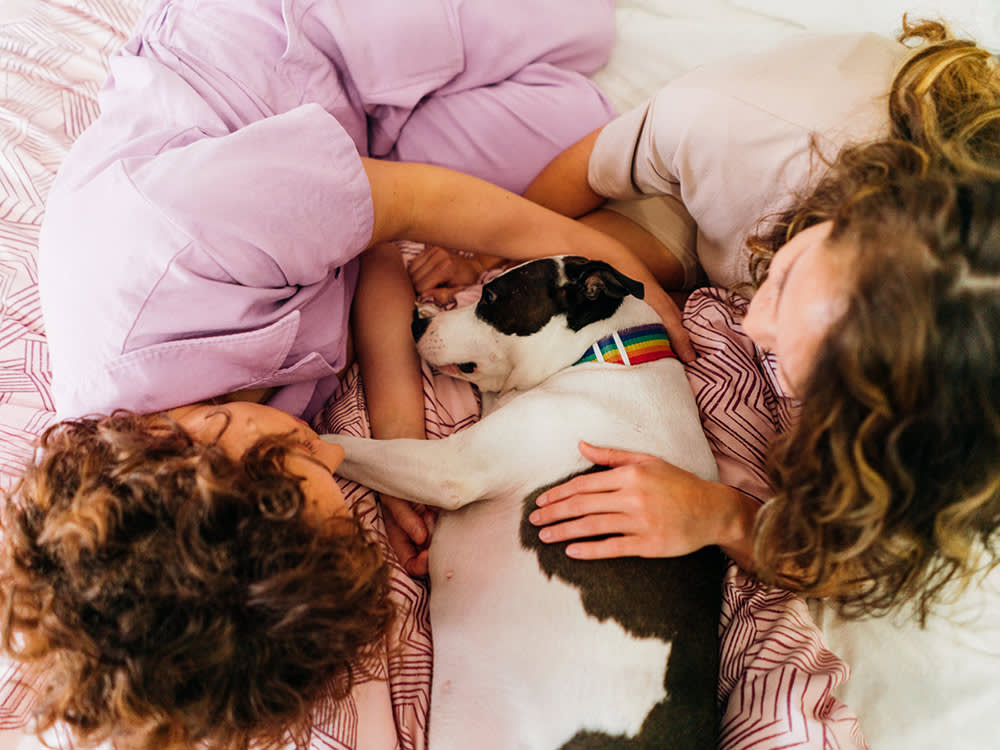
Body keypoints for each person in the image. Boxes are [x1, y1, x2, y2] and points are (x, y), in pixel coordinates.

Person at [15, 0, 687, 746]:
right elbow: (362, 249)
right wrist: (400, 427)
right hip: (346, 147)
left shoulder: (175, 243)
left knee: (579, 25)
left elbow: (407, 207)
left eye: (304, 454)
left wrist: (616, 269)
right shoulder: (198, 445)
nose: (333, 451)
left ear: (193, 439)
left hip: (298, 35)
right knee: (579, 121)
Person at [517, 18, 1000, 747]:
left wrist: (724, 517)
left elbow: (862, 555)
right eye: (786, 283)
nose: (753, 331)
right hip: (732, 186)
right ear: (859, 207)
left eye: (823, 381)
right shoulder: (750, 126)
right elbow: (592, 169)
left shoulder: (963, 433)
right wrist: (489, 239)